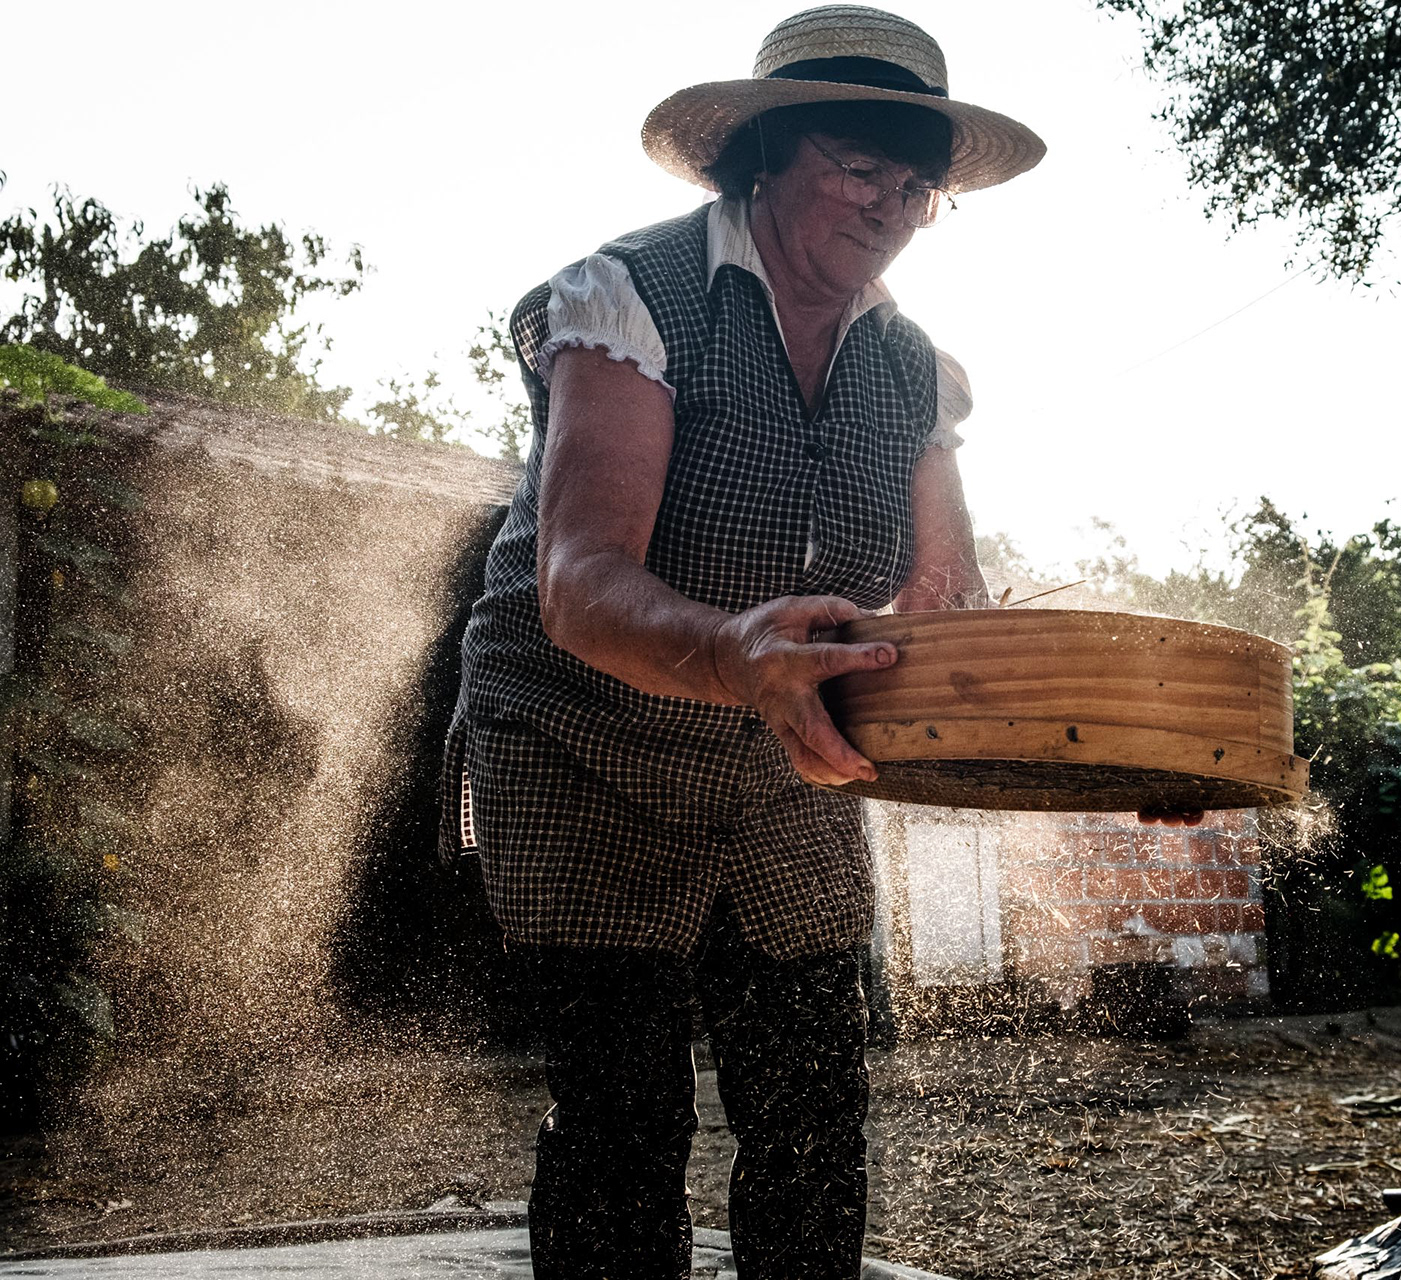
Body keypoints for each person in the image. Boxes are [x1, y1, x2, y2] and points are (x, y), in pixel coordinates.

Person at [438, 7, 1047, 1278]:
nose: (890, 205)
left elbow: (943, 601)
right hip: (577, 737)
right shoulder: (630, 295)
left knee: (815, 1105)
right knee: (623, 1117)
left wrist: (1093, 756)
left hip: (783, 755)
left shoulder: (916, 370)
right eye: (858, 166)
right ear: (763, 155)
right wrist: (733, 652)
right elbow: (578, 577)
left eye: (918, 187)